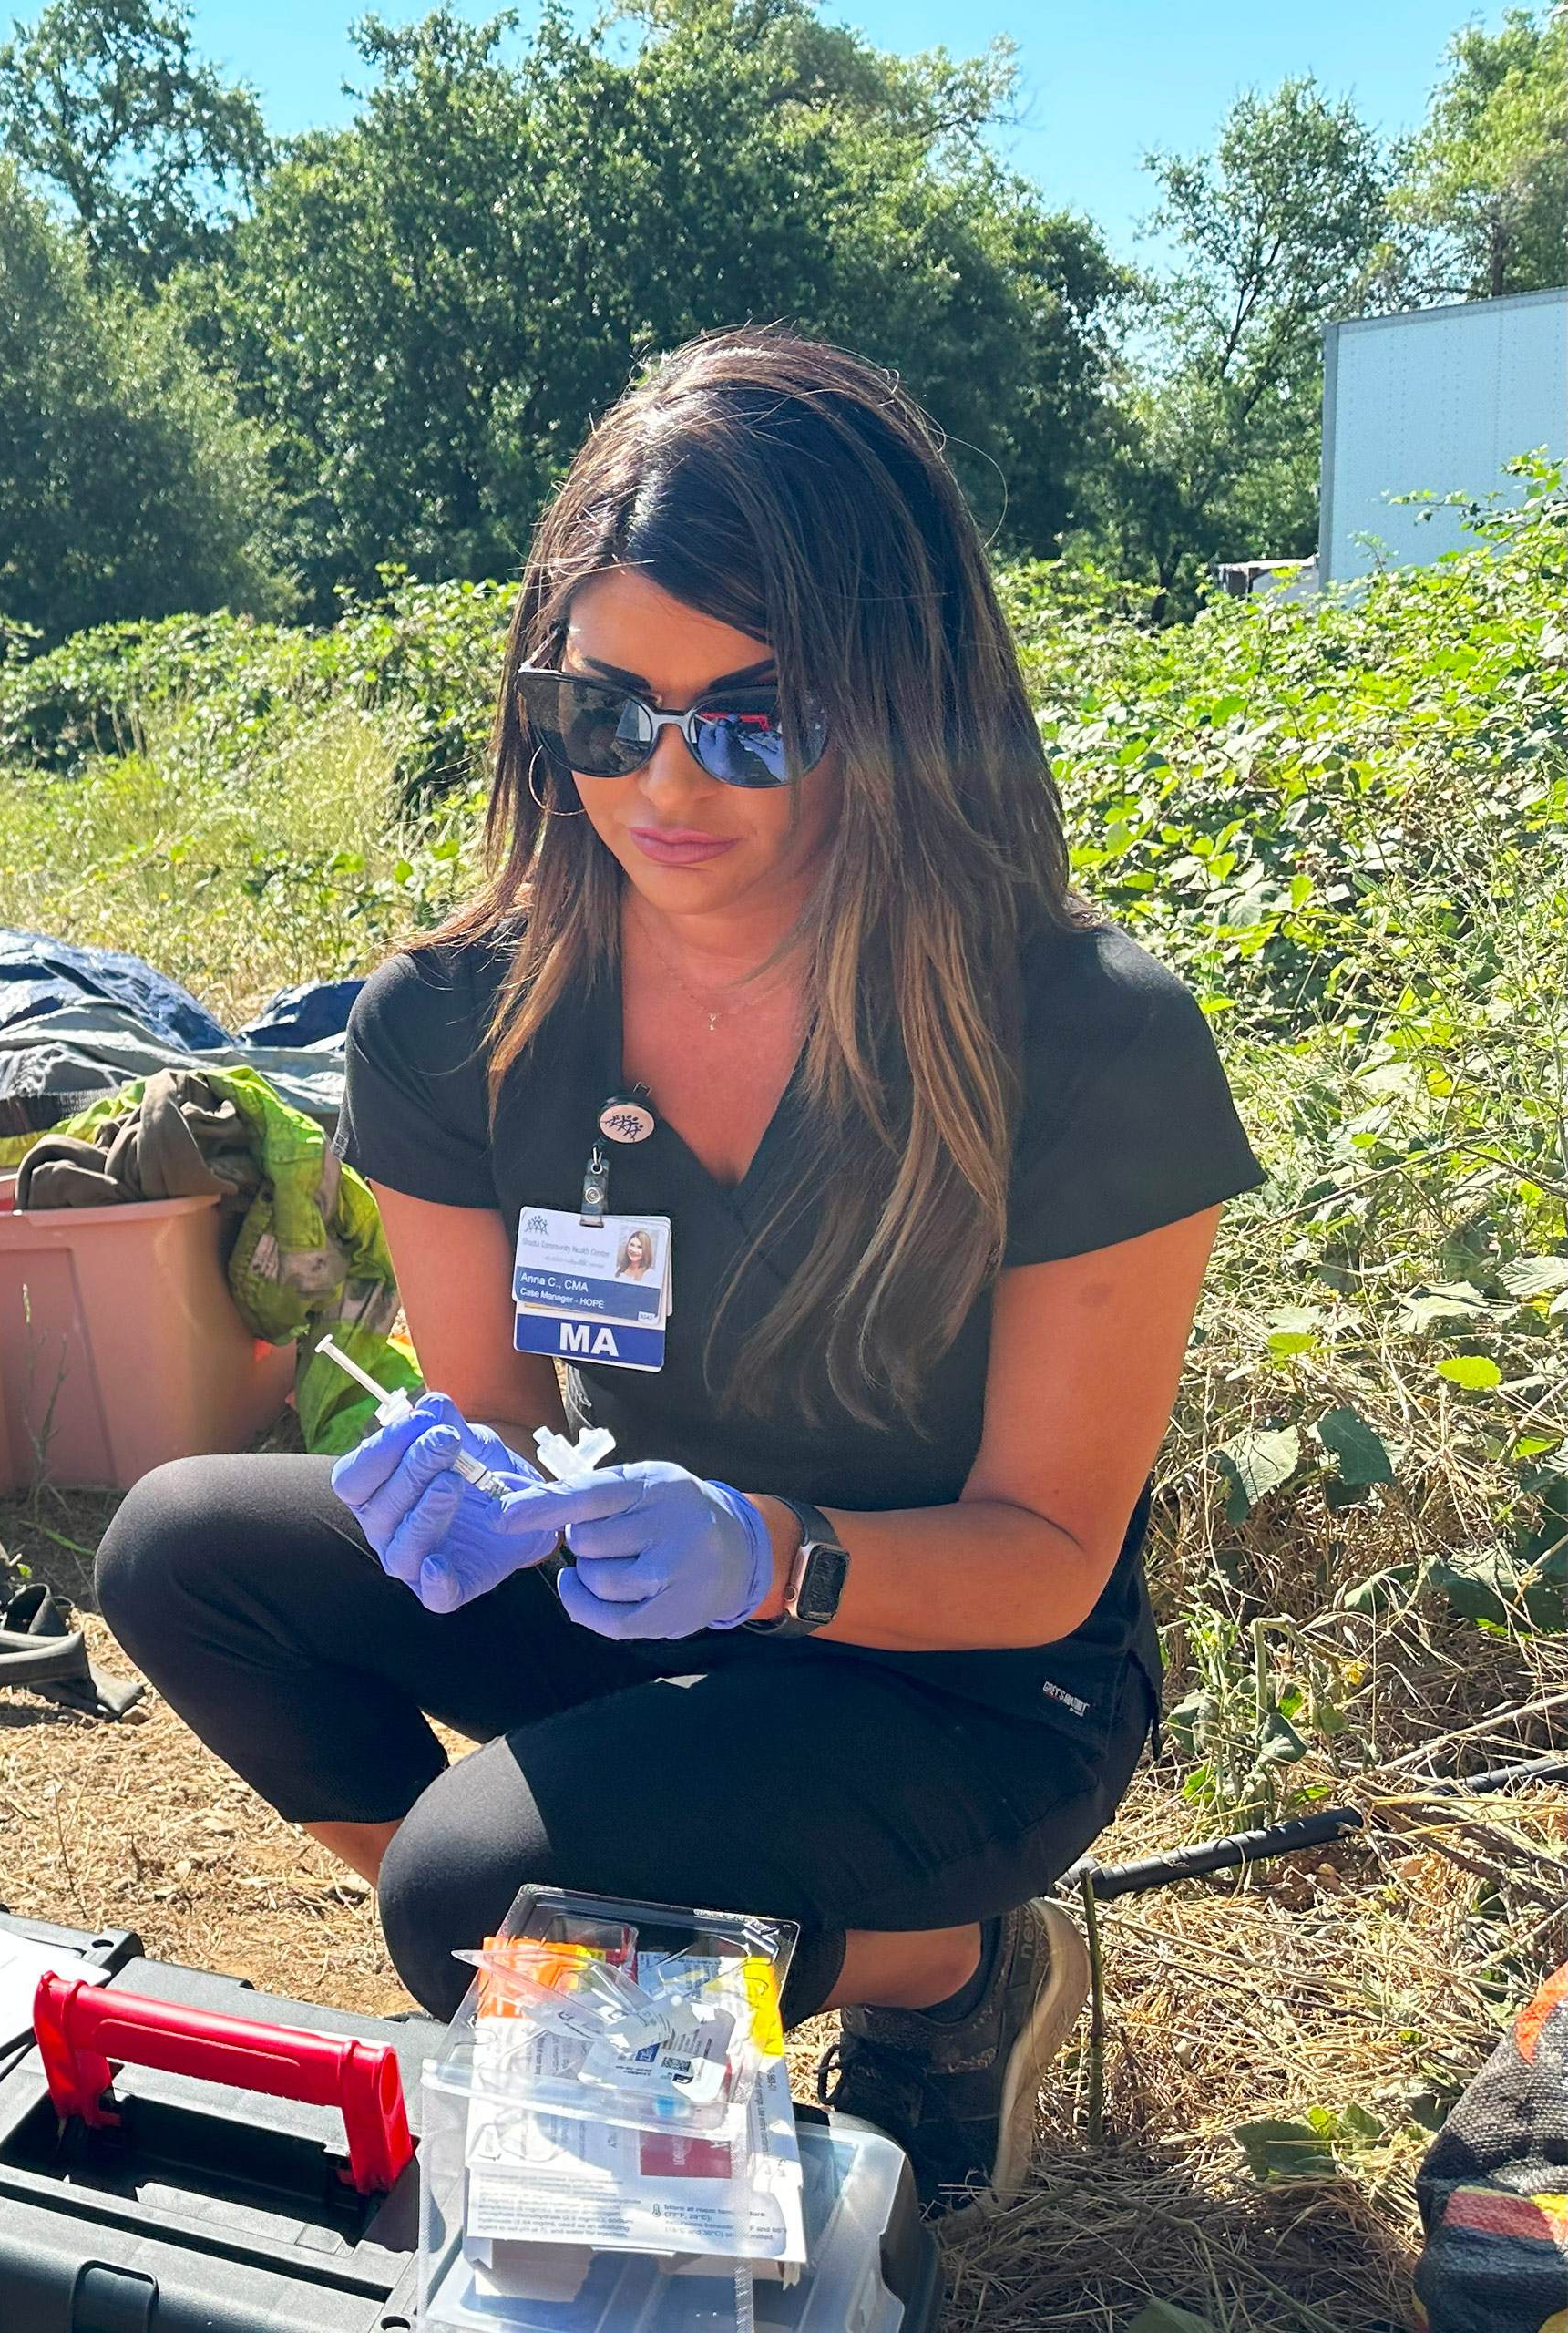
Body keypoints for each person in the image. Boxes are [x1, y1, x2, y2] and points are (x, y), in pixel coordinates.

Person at [96, 332, 1259, 2207]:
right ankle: (635, 1946)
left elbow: (1047, 1549)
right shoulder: (456, 1016)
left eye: (755, 714)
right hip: (661, 1600)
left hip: (966, 1676)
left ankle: (945, 1962)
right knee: (181, 1550)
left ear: (897, 703)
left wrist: (776, 1548)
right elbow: (499, 1414)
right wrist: (462, 1485)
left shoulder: (1081, 1032)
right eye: (610, 708)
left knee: (472, 1888)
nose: (666, 781)